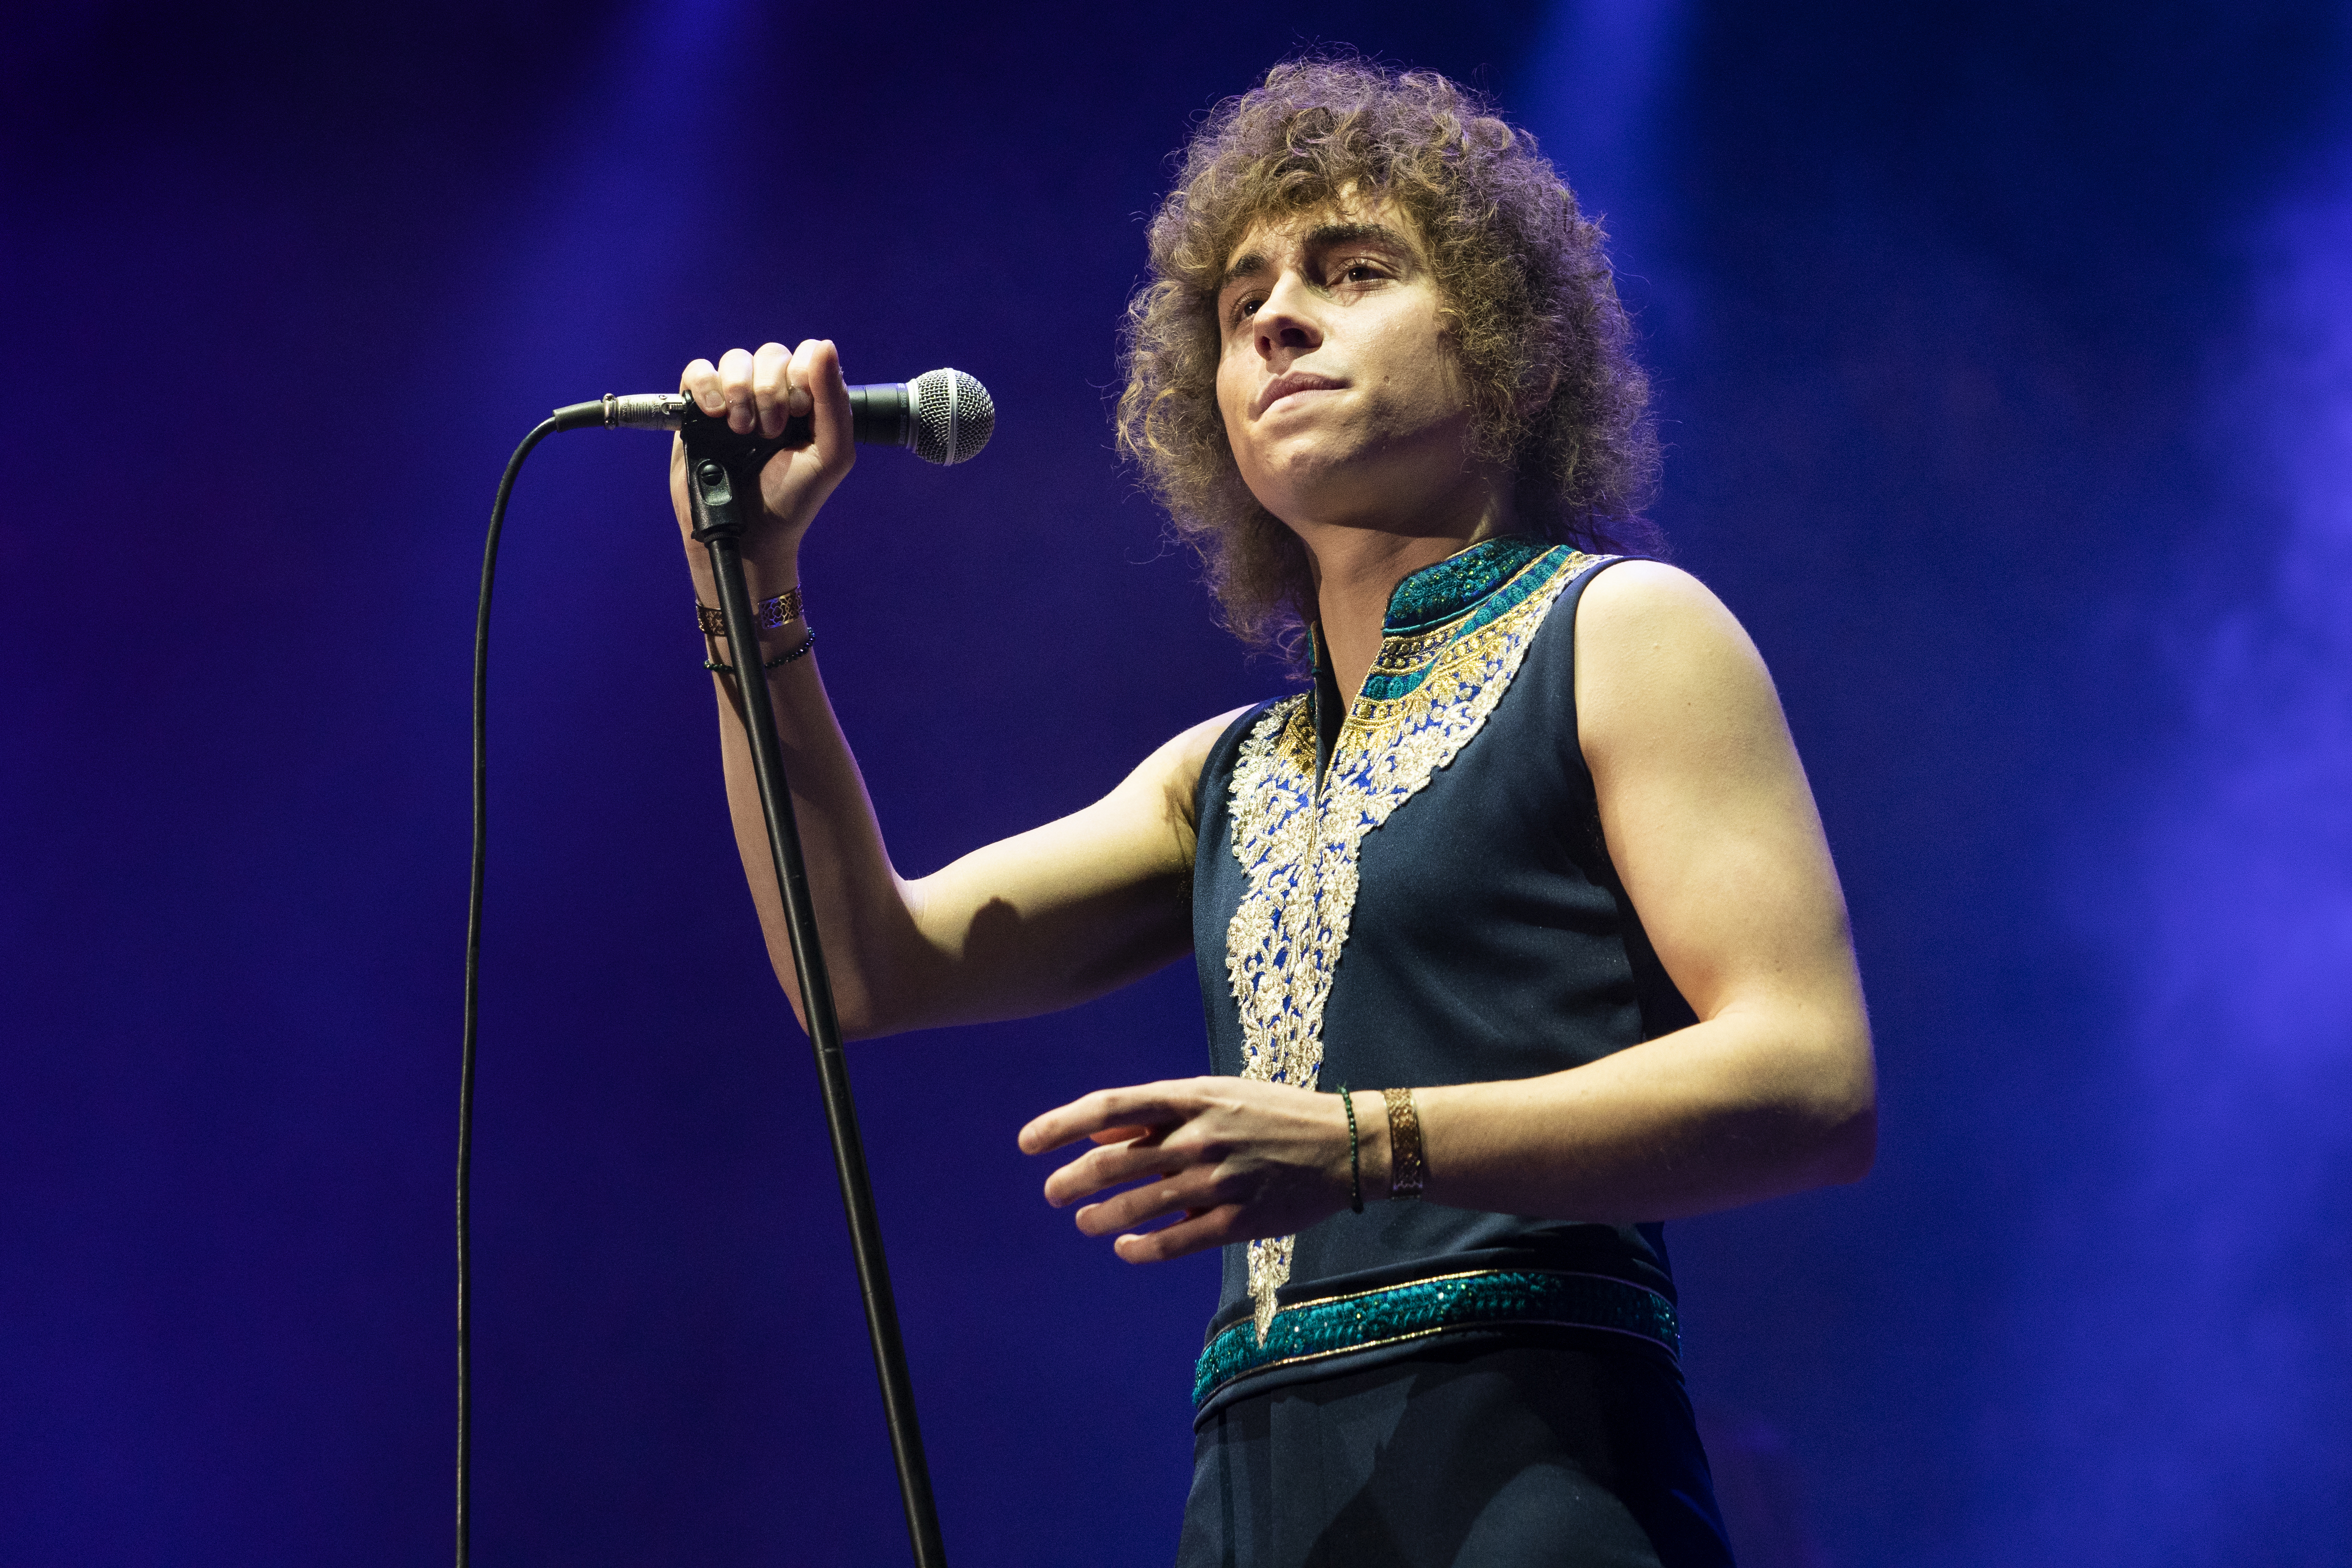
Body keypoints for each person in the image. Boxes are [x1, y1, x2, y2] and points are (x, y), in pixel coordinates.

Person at [668, 56, 1874, 1568]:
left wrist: (1366, 1143)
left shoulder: (1626, 631)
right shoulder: (1224, 772)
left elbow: (1813, 1076)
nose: (1278, 317)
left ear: (1513, 355)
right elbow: (863, 969)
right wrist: (748, 588)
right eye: (1241, 305)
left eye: (1353, 272)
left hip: (1536, 1474)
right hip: (1257, 1500)